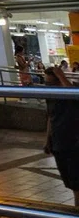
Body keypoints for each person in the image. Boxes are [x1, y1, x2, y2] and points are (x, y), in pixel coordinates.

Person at [43, 65, 79, 206]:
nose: (48, 86)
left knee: (76, 183)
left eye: (52, 83)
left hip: (74, 142)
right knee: (70, 182)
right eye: (46, 83)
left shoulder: (70, 90)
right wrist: (47, 140)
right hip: (59, 143)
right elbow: (51, 118)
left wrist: (62, 76)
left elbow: (74, 95)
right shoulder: (51, 96)